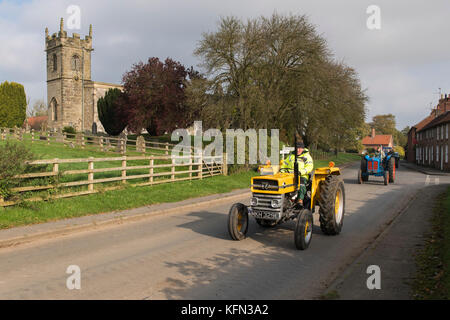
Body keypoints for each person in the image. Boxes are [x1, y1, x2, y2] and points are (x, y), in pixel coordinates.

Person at [280, 140, 314, 205]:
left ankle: (300, 199)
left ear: (303, 148)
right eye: (297, 148)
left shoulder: (307, 157)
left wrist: (301, 172)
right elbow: (284, 164)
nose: (298, 150)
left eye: (300, 148)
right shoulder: (291, 156)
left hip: (301, 176)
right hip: (288, 175)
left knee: (300, 183)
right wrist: (282, 170)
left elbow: (309, 167)